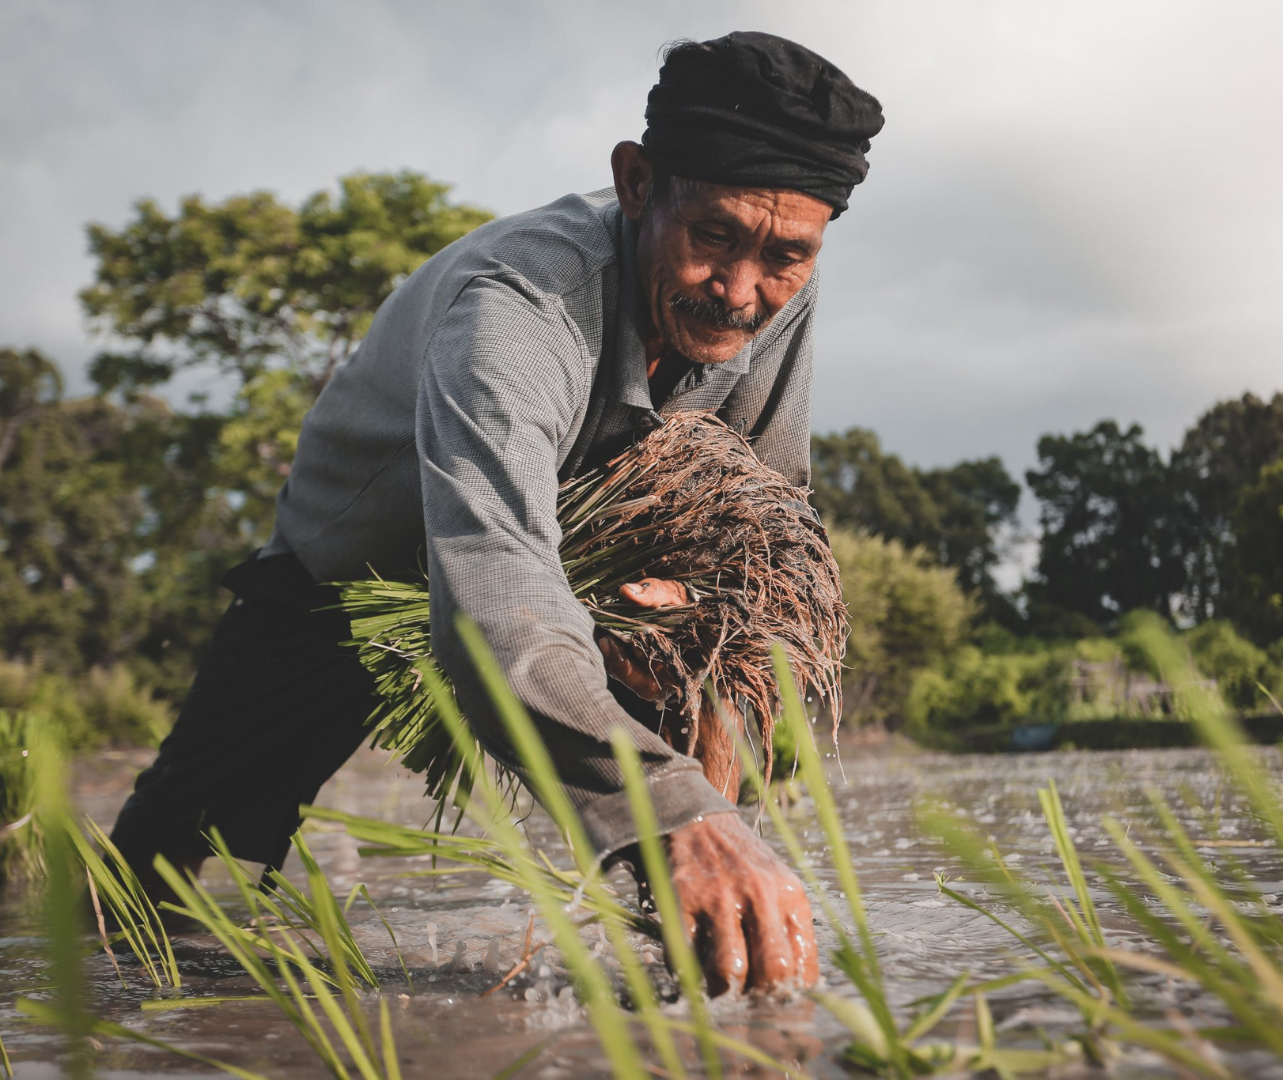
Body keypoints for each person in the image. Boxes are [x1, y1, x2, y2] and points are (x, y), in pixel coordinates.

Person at [109, 30, 884, 996]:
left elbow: (770, 527)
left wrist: (700, 624)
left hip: (588, 566)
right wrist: (669, 809)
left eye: (786, 254)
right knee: (176, 861)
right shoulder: (522, 308)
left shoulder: (777, 295)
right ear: (638, 183)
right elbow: (498, 600)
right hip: (356, 573)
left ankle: (693, 985)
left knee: (707, 707)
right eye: (713, 237)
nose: (739, 292)